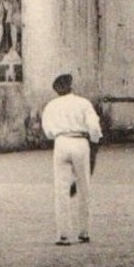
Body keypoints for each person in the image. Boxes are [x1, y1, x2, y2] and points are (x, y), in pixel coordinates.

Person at [41, 73, 103, 245]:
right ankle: (84, 231)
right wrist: (95, 141)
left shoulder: (51, 105)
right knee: (84, 187)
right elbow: (94, 127)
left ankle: (63, 234)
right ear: (71, 86)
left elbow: (47, 131)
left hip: (61, 142)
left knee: (61, 189)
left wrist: (58, 134)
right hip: (80, 141)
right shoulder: (83, 103)